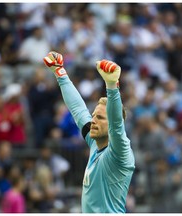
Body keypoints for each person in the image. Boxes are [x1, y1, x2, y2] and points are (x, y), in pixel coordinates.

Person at [43, 51, 135, 213]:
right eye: (94, 116)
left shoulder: (120, 152)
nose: (93, 121)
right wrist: (60, 73)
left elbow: (116, 124)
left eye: (99, 117)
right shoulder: (95, 143)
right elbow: (78, 109)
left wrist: (112, 87)